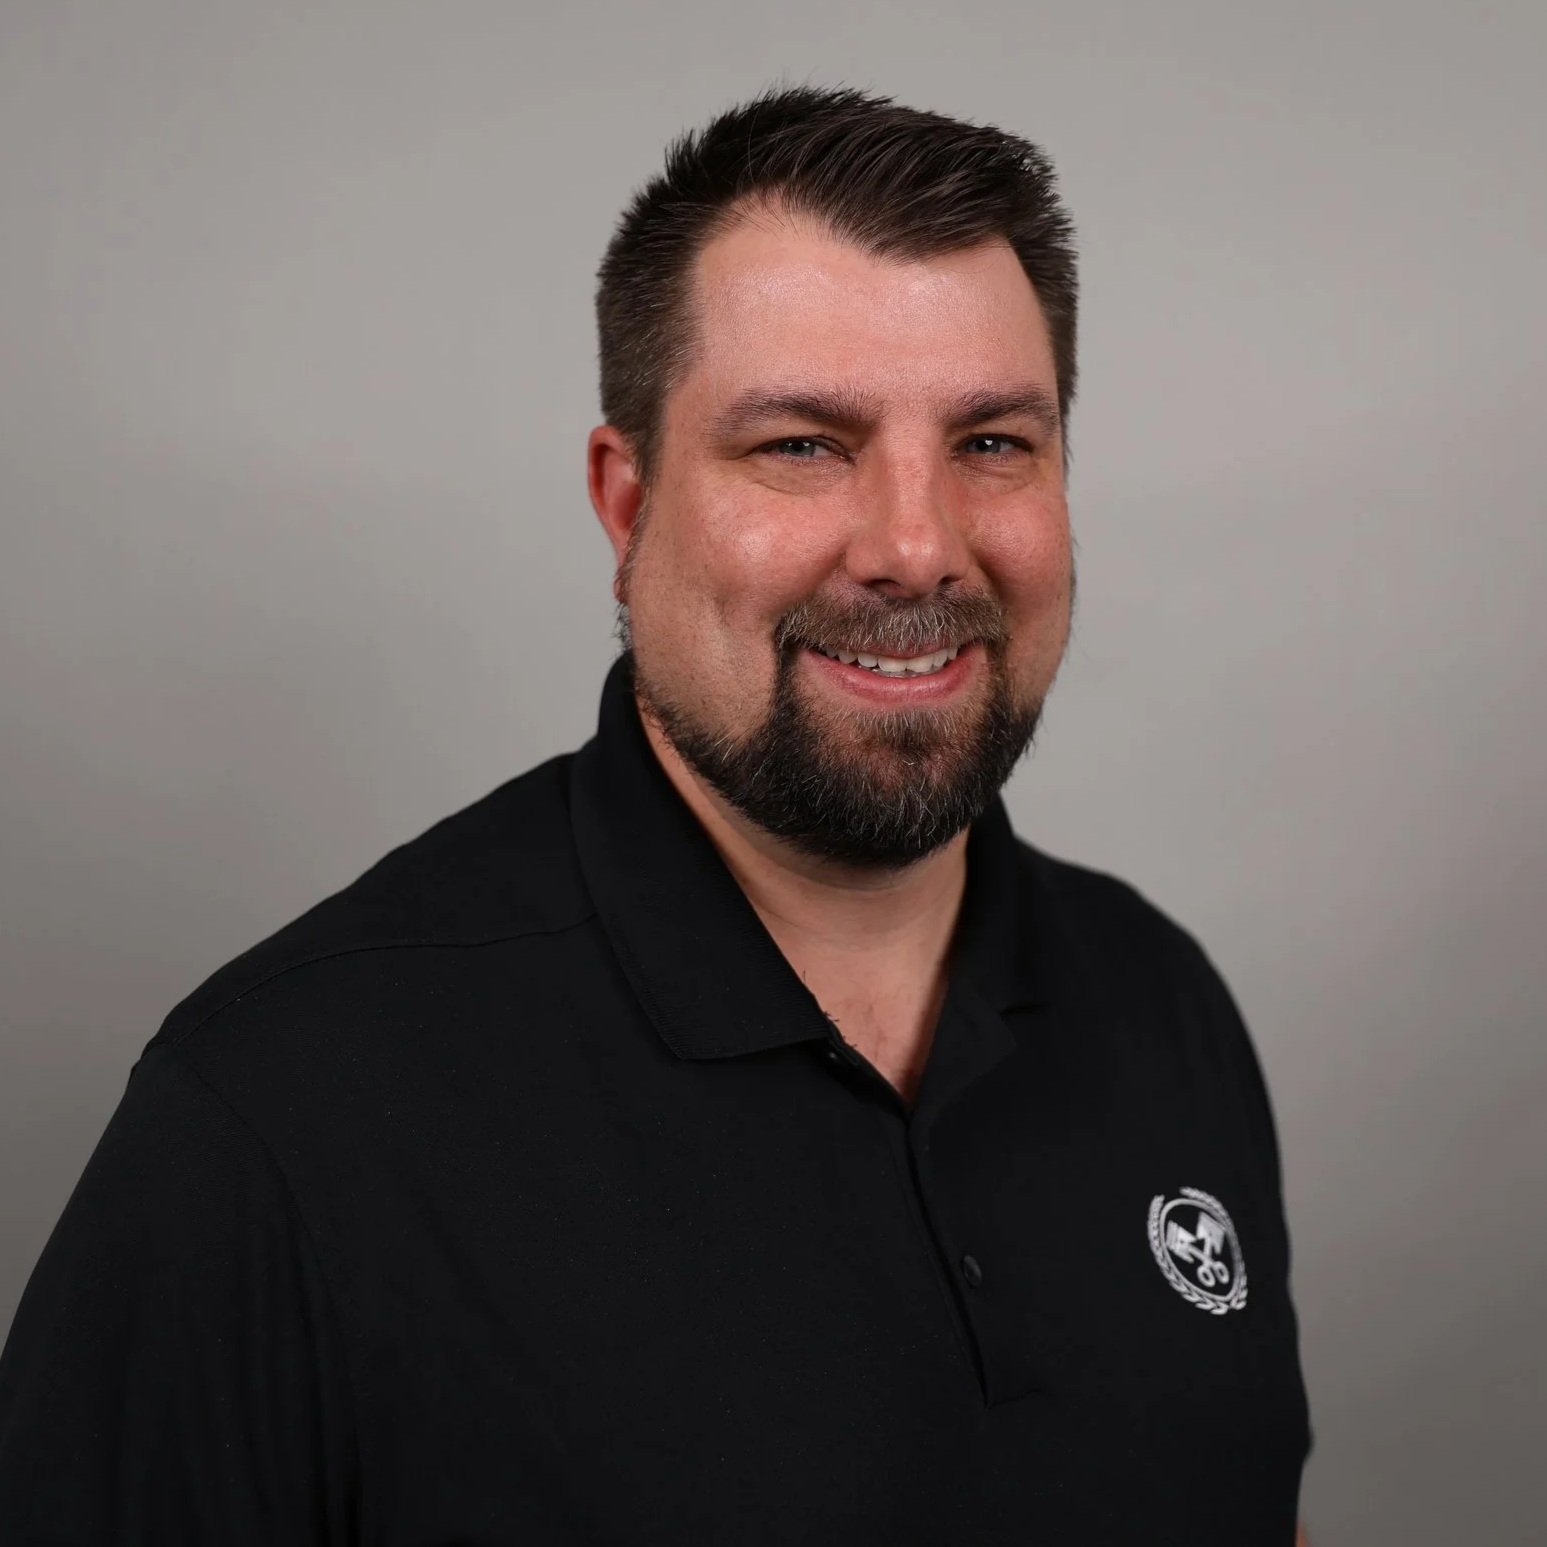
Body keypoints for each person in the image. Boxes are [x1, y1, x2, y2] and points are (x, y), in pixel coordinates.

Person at [0, 85, 1312, 1544]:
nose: (916, 546)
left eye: (993, 442)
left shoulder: (1162, 1004)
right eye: (802, 445)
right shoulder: (275, 1128)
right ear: (628, 508)